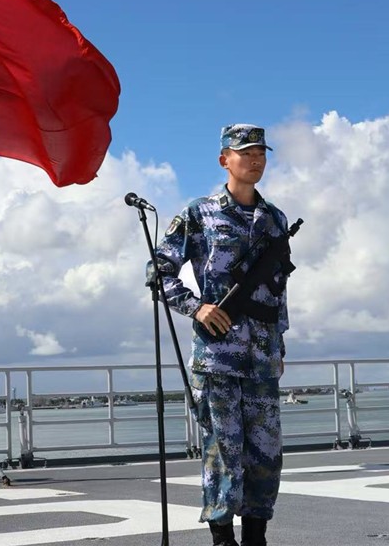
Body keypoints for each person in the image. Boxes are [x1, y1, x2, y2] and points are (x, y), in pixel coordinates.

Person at [147, 123, 290, 546]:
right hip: (218, 357)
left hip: (263, 357)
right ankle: (223, 539)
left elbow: (279, 289)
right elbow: (159, 271)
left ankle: (257, 537)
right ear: (224, 159)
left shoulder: (275, 219)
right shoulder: (200, 213)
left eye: (261, 153)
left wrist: (279, 343)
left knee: (266, 455)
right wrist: (197, 307)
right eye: (246, 153)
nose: (256, 160)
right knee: (223, 454)